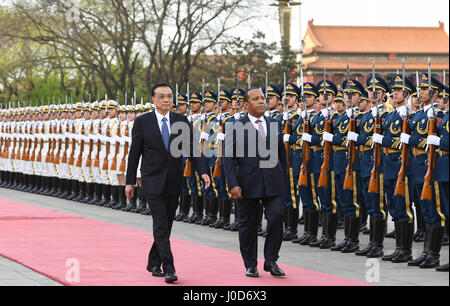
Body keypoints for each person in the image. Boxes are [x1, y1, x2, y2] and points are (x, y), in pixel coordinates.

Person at [125, 83, 210, 283]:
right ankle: (168, 267)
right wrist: (130, 182)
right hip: (152, 180)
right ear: (153, 100)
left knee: (167, 223)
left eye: (169, 96)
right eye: (161, 96)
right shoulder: (142, 122)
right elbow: (134, 154)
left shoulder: (181, 121)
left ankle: (154, 262)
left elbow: (192, 149)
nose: (166, 100)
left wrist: (203, 172)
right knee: (161, 223)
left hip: (173, 179)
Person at [223, 87, 287, 278]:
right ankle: (250, 264)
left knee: (276, 219)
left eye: (263, 98)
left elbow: (281, 156)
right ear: (245, 105)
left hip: (273, 182)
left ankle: (271, 259)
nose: (262, 102)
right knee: (248, 224)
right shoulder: (235, 126)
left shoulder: (274, 123)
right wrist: (233, 184)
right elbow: (228, 159)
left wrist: (284, 181)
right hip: (247, 183)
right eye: (256, 99)